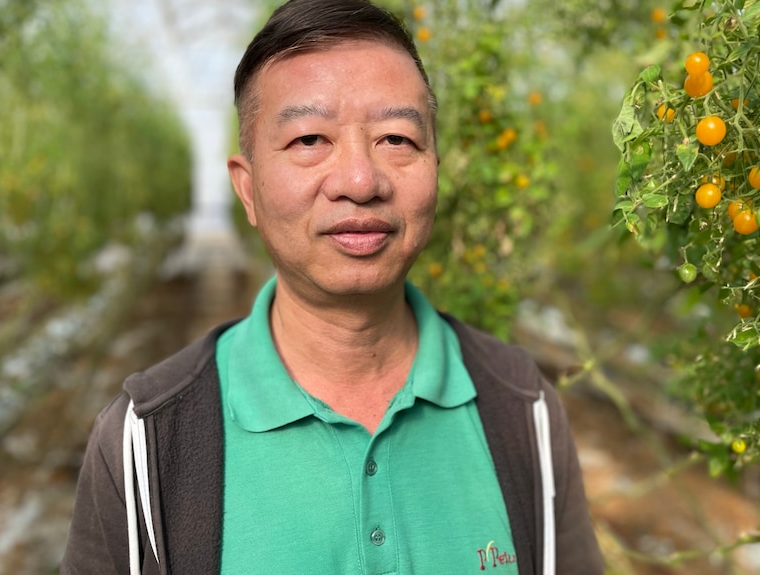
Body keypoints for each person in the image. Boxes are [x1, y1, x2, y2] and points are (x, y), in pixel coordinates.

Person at [61, 0, 603, 573]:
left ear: (436, 168)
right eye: (309, 139)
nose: (360, 181)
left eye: (396, 139)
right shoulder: (146, 444)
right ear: (247, 190)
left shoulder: (523, 412)